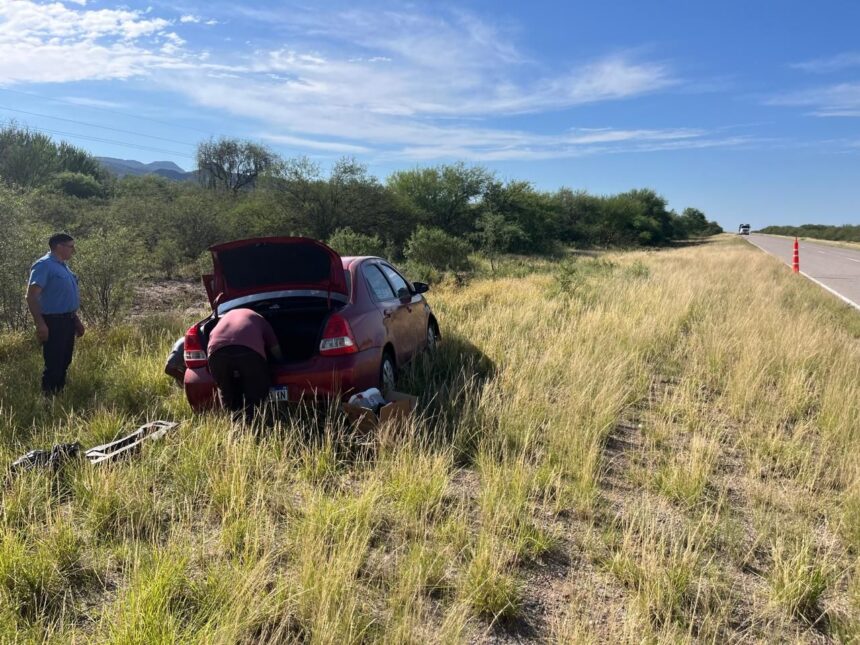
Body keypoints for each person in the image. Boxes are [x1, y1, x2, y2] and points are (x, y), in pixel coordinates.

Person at [26, 233, 85, 395]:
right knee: (54, 364)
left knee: (65, 361)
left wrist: (76, 321)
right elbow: (31, 296)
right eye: (71, 246)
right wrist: (40, 324)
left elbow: (64, 298)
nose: (74, 250)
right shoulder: (44, 265)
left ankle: (59, 397)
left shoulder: (63, 266)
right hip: (53, 322)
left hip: (68, 321)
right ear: (59, 247)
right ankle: (49, 402)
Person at [206, 307, 283, 423]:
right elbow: (274, 347)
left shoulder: (223, 319)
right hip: (248, 353)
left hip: (216, 354)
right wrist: (281, 361)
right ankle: (254, 427)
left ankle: (234, 428)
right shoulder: (259, 318)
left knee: (227, 393)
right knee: (255, 393)